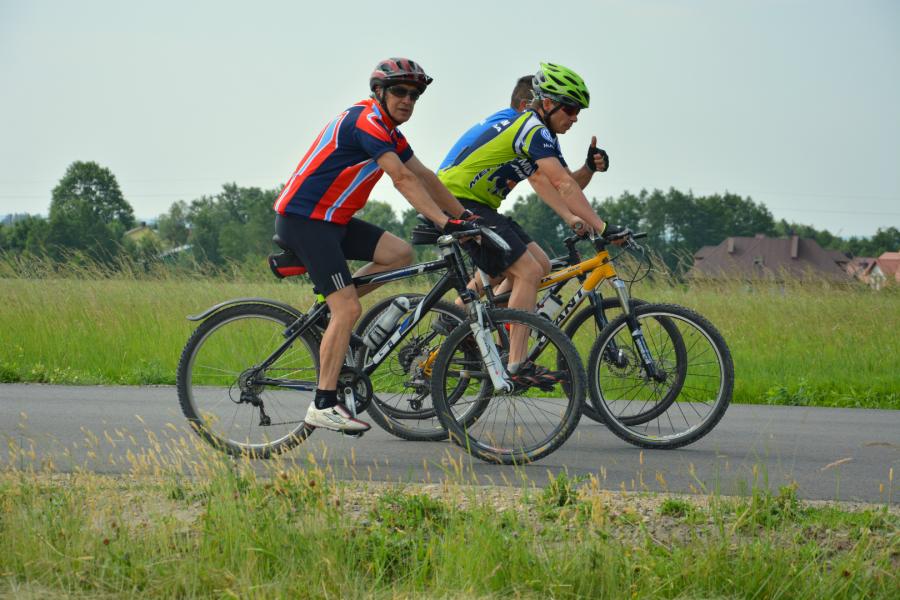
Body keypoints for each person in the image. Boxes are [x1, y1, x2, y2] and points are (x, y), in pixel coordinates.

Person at [273, 57, 475, 433]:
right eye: (399, 91)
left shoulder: (388, 129)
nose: (407, 100)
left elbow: (423, 175)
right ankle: (323, 404)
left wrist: (465, 217)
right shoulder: (367, 120)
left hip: (332, 220)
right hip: (305, 219)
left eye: (414, 95)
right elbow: (401, 178)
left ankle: (330, 309)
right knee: (348, 308)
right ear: (379, 92)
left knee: (399, 253)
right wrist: (443, 222)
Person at [436, 62, 618, 380]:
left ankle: (464, 317)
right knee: (527, 272)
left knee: (541, 264)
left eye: (578, 112)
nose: (575, 118)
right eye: (571, 109)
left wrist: (588, 169)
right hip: (458, 201)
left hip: (478, 204)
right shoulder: (530, 128)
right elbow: (559, 185)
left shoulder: (541, 133)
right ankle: (516, 362)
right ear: (546, 103)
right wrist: (602, 226)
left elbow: (565, 184)